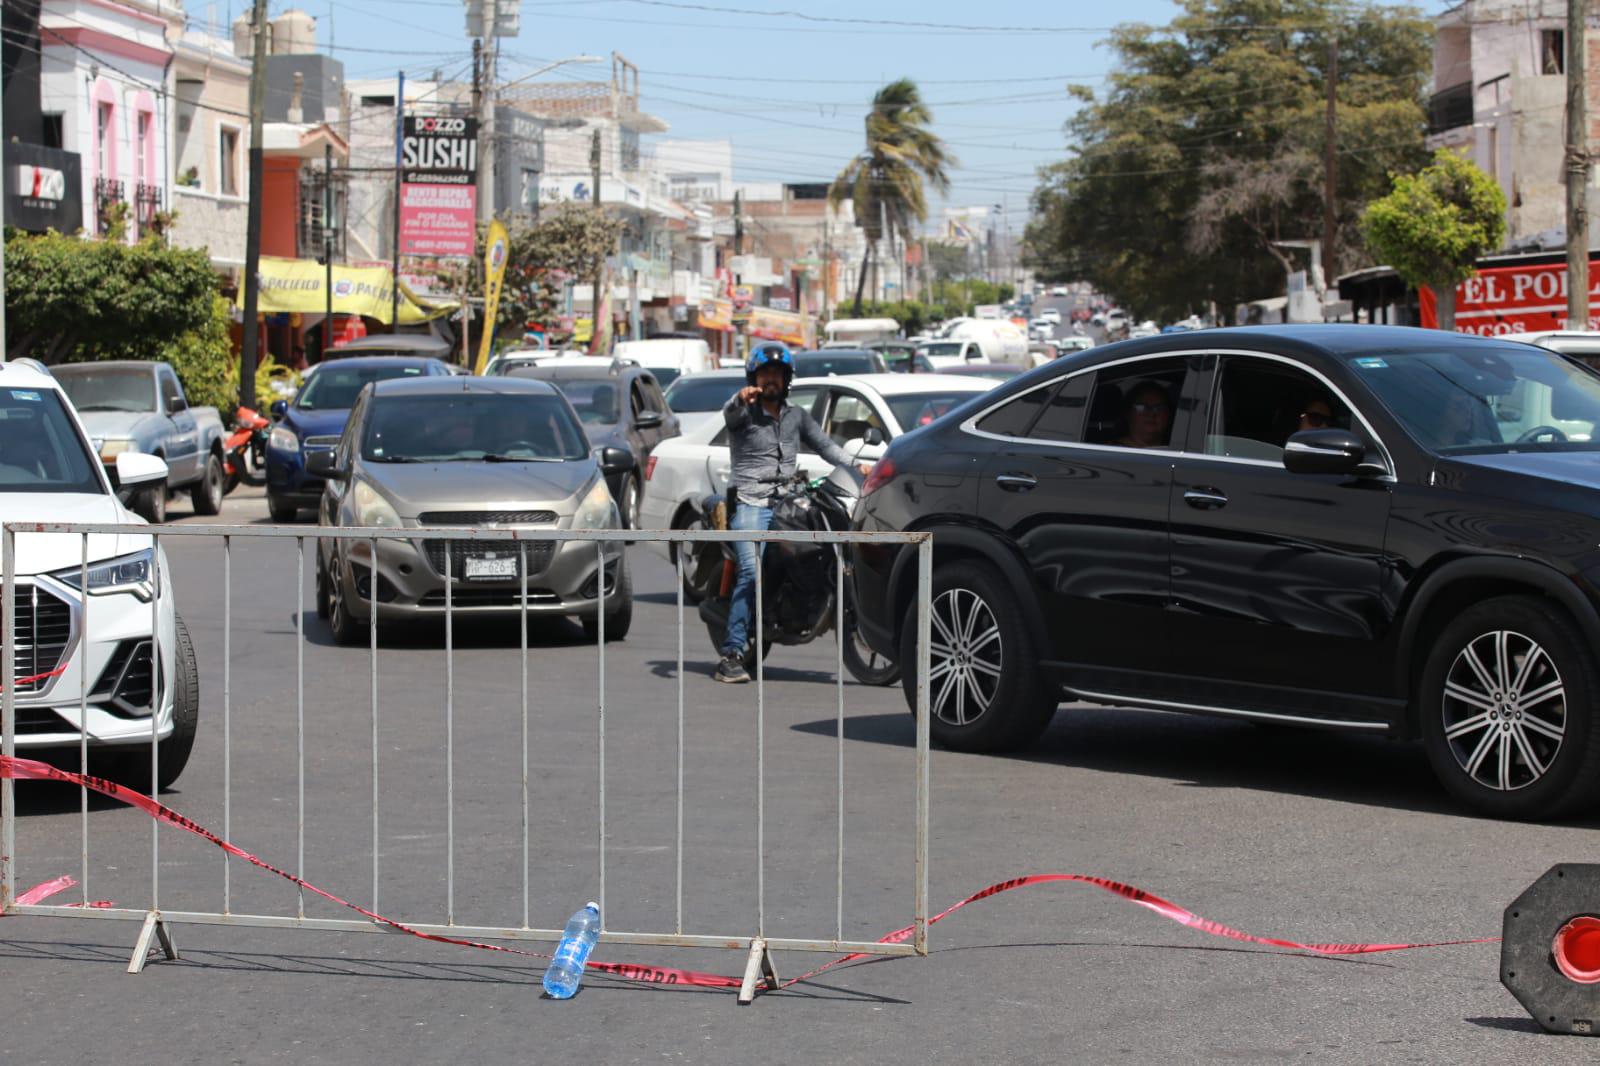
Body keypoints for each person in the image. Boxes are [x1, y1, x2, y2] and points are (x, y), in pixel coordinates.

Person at [715, 342, 869, 684]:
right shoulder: (744, 414)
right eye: (764, 373)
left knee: (821, 551)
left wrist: (859, 466)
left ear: (786, 379)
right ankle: (731, 655)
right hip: (751, 504)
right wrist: (740, 399)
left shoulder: (796, 416)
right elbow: (729, 413)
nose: (771, 379)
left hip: (789, 502)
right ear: (753, 378)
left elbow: (827, 447)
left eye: (777, 374)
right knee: (750, 573)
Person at [1117, 381, 1173, 448]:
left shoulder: (1180, 451)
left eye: (1159, 408)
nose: (1151, 413)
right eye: (1142, 407)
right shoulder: (1113, 452)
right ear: (1128, 414)